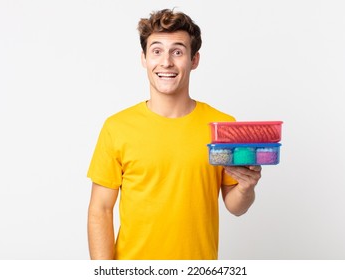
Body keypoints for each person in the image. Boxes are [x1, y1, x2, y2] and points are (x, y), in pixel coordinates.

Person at [87, 8, 262, 260]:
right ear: (144, 58)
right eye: (156, 51)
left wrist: (246, 188)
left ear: (194, 60)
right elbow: (100, 210)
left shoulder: (222, 126)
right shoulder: (117, 127)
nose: (166, 62)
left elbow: (235, 207)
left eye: (177, 52)